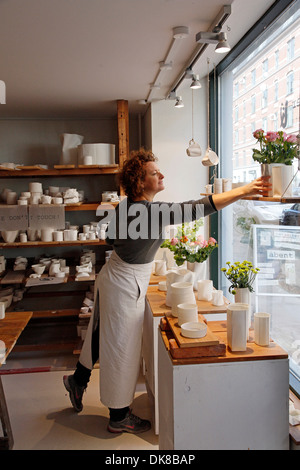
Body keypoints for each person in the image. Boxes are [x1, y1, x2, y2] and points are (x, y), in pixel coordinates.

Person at [63, 148, 271, 434]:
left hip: (116, 275)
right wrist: (244, 189)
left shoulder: (124, 206)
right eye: (153, 173)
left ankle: (78, 380)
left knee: (103, 334)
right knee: (121, 347)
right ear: (140, 182)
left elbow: (111, 237)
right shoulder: (151, 212)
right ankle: (118, 416)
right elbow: (201, 206)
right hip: (124, 282)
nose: (161, 174)